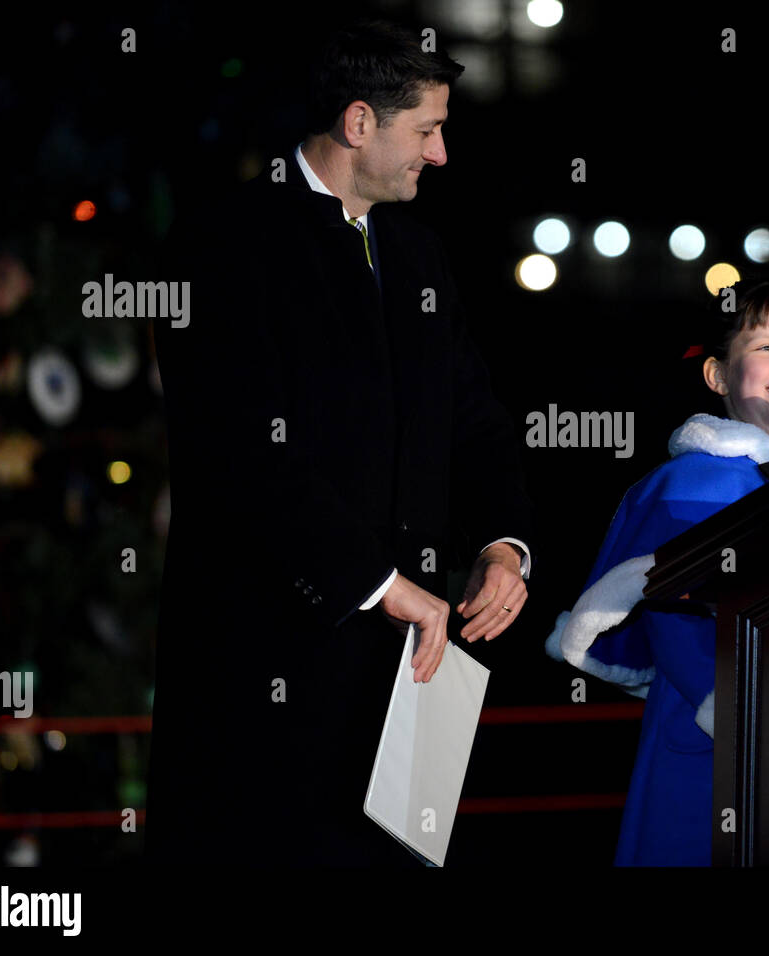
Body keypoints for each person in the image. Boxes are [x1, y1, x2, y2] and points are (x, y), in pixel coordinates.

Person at [147, 20, 532, 865]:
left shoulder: (423, 254)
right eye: (427, 129)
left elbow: (479, 423)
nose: (441, 154)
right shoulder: (222, 246)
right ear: (360, 122)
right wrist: (381, 585)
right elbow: (243, 459)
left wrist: (505, 545)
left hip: (408, 683)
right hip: (261, 677)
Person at [545, 282, 769, 865]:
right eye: (768, 347)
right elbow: (670, 612)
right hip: (711, 720)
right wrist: (721, 702)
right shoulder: (691, 484)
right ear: (718, 377)